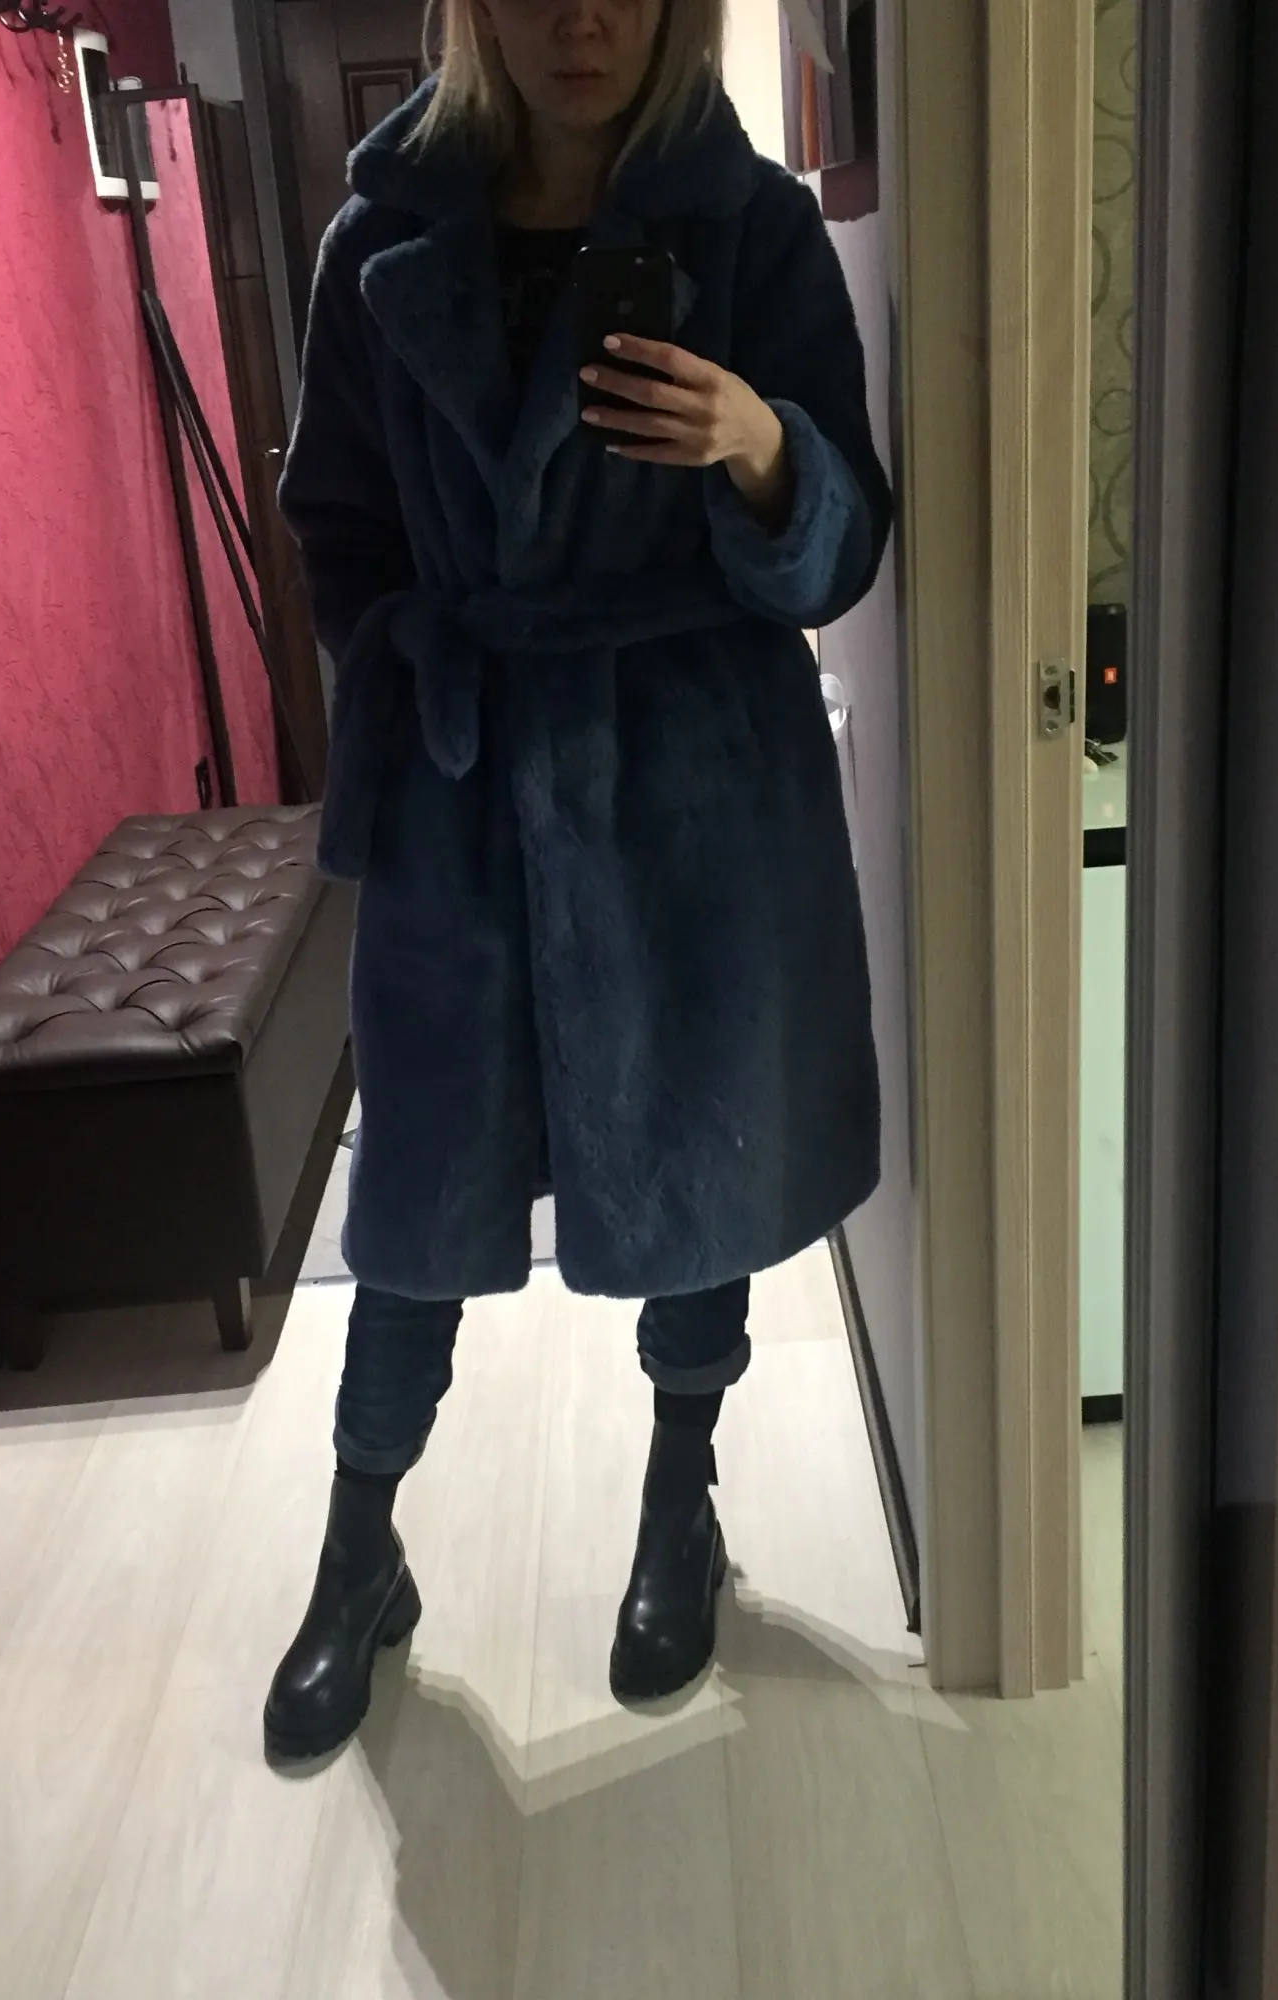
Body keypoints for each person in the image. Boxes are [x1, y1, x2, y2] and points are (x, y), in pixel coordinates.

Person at [265, 0, 892, 1763]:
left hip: (692, 786)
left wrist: (763, 450)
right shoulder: (380, 238)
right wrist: (407, 674)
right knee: (419, 1196)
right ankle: (358, 1549)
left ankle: (680, 1500)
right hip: (466, 782)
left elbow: (845, 544)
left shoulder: (749, 228)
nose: (584, 18)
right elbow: (336, 522)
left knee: (701, 1157)